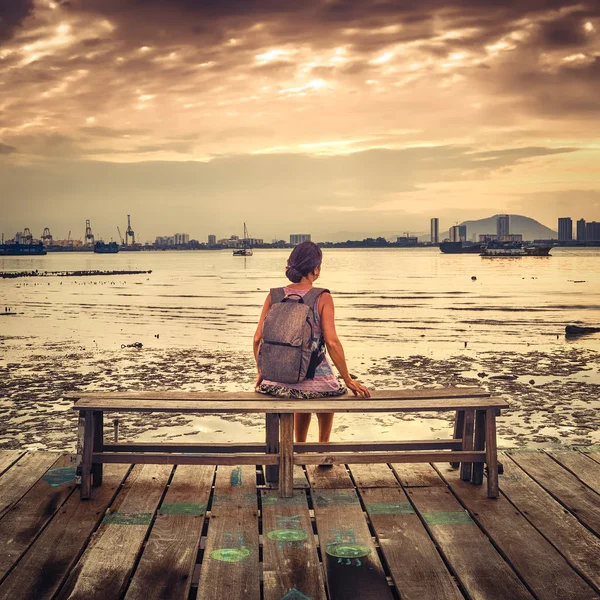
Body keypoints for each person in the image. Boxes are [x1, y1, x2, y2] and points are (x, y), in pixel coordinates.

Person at [253, 241, 370, 445]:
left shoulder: (274, 295)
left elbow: (257, 339)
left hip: (276, 382)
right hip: (311, 376)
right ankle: (322, 448)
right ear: (316, 268)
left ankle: (301, 447)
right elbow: (332, 342)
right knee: (327, 395)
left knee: (301, 397)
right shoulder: (322, 297)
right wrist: (348, 379)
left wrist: (262, 372)